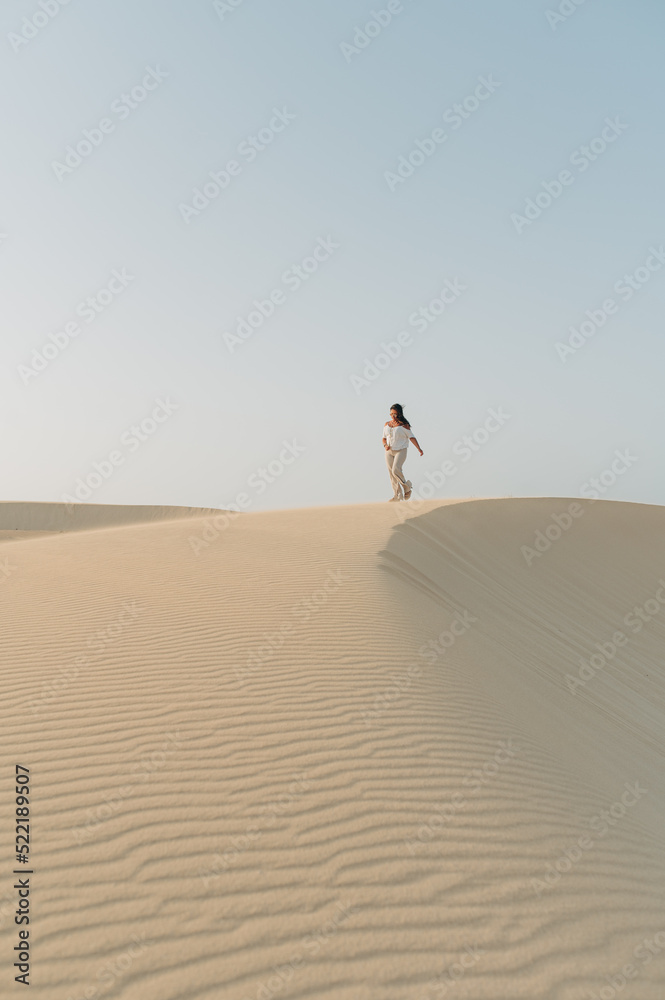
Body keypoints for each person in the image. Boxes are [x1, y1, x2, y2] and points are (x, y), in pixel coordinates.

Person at [382, 403, 423, 501]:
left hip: (401, 451)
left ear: (399, 414)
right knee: (391, 474)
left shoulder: (404, 425)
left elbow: (412, 437)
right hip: (389, 452)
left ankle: (407, 487)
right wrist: (385, 445)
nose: (393, 416)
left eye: (395, 414)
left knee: (395, 470)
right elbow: (383, 438)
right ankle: (397, 496)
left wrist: (419, 449)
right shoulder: (386, 425)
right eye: (391, 414)